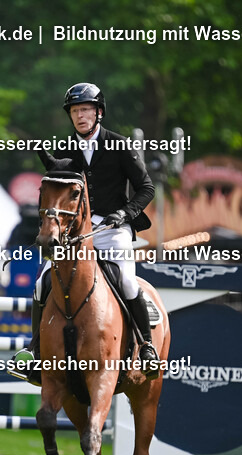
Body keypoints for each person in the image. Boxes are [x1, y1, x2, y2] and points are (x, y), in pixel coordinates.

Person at [14, 82, 159, 383]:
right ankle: (35, 351)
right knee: (42, 283)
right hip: (75, 233)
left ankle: (146, 346)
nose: (80, 116)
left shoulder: (120, 145)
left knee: (127, 281)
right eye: (75, 111)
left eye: (85, 110)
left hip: (112, 229)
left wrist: (125, 213)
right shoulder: (65, 149)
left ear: (98, 113)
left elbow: (146, 188)